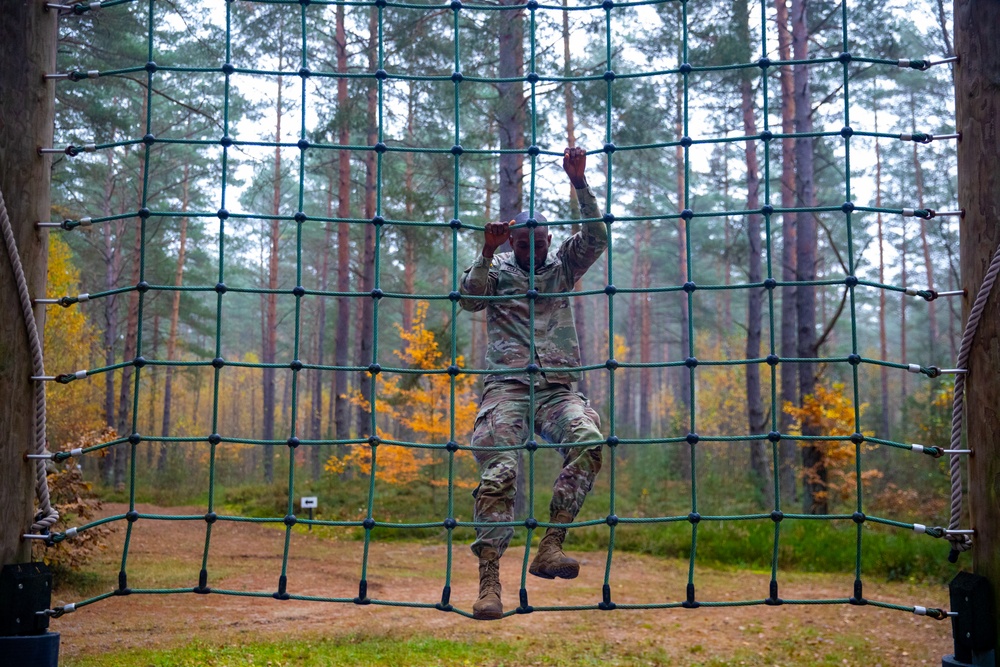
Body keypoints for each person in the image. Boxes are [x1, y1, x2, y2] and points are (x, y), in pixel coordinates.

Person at [459, 146, 608, 620]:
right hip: (506, 388)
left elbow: (597, 237)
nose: (534, 249)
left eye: (540, 241)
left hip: (557, 389)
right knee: (500, 472)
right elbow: (470, 300)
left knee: (589, 440)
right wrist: (485, 251)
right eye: (524, 244)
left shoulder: (562, 266)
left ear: (548, 239)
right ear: (511, 244)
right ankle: (490, 584)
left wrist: (579, 183)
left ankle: (551, 546)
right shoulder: (496, 270)